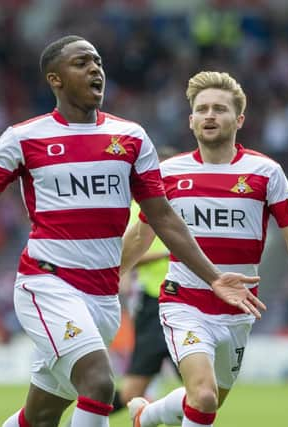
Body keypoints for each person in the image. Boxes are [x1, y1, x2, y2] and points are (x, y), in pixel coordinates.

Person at [0, 37, 264, 427]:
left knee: (40, 416)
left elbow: (164, 217)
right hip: (47, 285)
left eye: (98, 62)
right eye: (82, 62)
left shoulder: (131, 137)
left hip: (103, 298)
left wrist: (212, 277)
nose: (95, 69)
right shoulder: (24, 138)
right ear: (55, 79)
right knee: (100, 384)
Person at [122, 71, 288, 427]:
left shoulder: (266, 172)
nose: (210, 115)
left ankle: (148, 415)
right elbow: (139, 236)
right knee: (203, 395)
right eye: (202, 109)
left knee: (207, 401)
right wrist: (99, 284)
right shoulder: (168, 173)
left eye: (219, 109)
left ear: (239, 119)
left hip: (239, 309)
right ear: (191, 120)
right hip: (184, 301)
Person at [111, 146, 179, 414]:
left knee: (204, 391)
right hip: (153, 306)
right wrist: (172, 252)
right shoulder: (135, 209)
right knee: (131, 392)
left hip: (187, 303)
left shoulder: (183, 206)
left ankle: (151, 417)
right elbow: (126, 256)